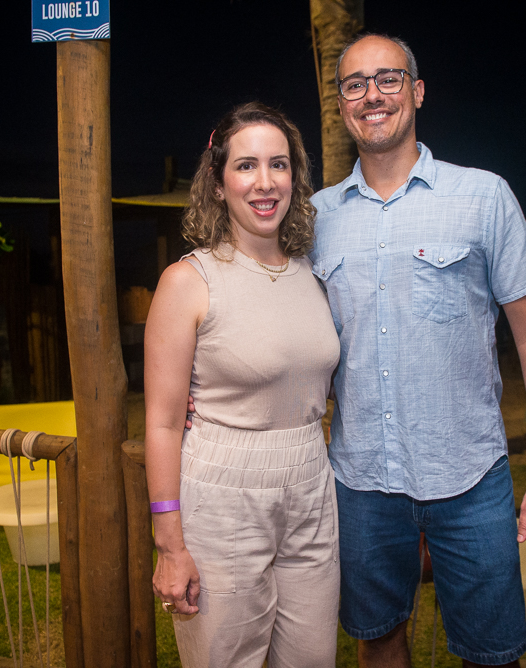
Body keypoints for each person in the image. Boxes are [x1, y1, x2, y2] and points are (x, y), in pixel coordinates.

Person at [309, 34, 526, 667]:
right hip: (361, 481)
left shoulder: (483, 196)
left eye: (388, 79)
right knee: (378, 639)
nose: (372, 95)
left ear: (417, 91)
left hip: (470, 477)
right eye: (354, 84)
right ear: (341, 105)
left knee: (492, 654)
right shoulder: (315, 219)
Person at [144, 102, 341, 667]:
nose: (265, 182)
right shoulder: (188, 281)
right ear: (217, 182)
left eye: (279, 164)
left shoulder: (312, 274)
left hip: (311, 485)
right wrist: (169, 544)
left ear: (295, 178)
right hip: (224, 496)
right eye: (246, 165)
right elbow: (162, 423)